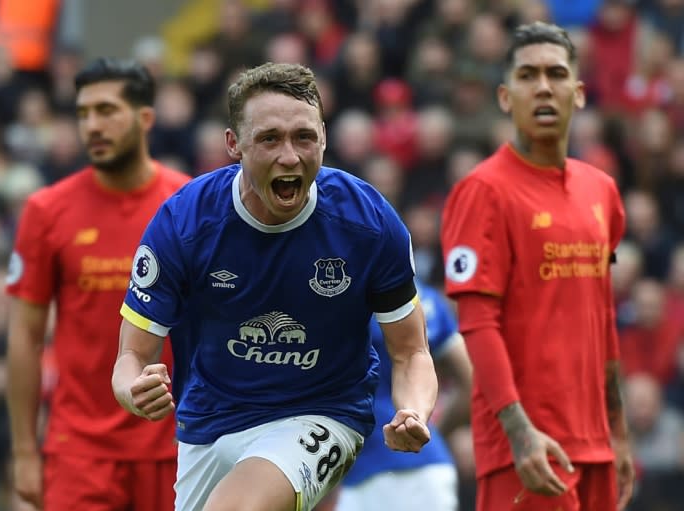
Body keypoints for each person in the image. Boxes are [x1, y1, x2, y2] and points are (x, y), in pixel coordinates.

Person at [111, 62, 439, 511]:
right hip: (211, 421)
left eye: (304, 137)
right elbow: (131, 357)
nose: (290, 156)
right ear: (234, 144)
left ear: (323, 137)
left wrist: (414, 411)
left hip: (324, 413)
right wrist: (133, 391)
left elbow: (411, 352)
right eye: (269, 139)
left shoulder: (368, 224)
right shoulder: (184, 223)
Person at [440, 22, 635, 511]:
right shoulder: (482, 192)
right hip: (527, 450)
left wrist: (619, 431)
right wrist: (518, 431)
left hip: (594, 445)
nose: (544, 86)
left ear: (580, 92)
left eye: (556, 73)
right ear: (506, 97)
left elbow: (603, 316)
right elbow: (478, 324)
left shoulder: (602, 191)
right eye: (528, 76)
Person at [5, 58, 190, 510]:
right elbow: (25, 337)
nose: (92, 125)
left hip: (178, 447)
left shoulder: (188, 203)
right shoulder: (46, 211)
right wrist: (26, 452)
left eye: (107, 111)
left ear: (145, 118)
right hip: (79, 452)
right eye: (84, 113)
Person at [332, 280, 472, 511]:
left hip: (378, 474)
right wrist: (430, 432)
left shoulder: (347, 297)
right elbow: (471, 378)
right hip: (427, 466)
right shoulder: (424, 296)